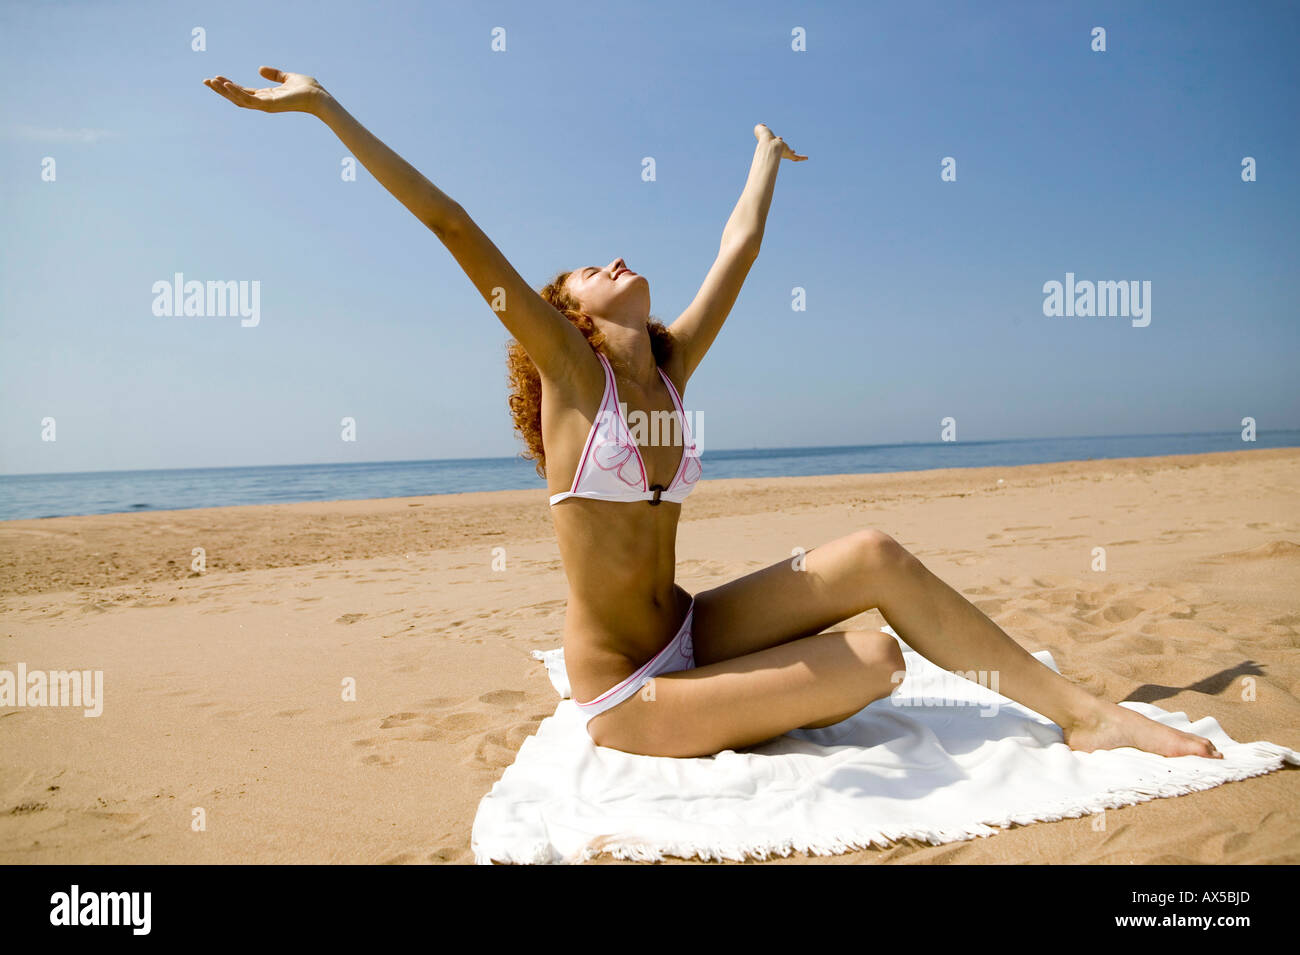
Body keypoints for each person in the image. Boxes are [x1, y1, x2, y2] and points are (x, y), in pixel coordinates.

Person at [203, 67, 1222, 761]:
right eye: (587, 272)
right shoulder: (573, 372)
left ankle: (1084, 717)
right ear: (572, 317)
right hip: (625, 692)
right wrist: (326, 110)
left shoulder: (671, 363)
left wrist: (766, 157)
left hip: (692, 626)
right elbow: (452, 223)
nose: (610, 262)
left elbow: (737, 250)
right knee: (873, 657)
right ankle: (1020, 708)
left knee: (871, 549)